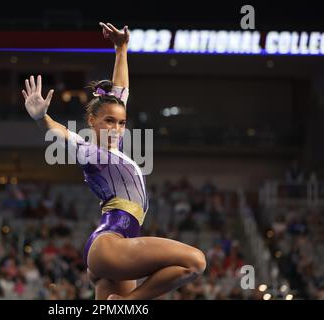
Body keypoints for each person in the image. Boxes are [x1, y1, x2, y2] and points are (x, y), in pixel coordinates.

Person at [21, 22, 206, 300]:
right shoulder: (88, 151)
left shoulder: (114, 148)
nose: (117, 128)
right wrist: (42, 118)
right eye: (109, 121)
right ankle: (128, 302)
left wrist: (121, 49)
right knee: (195, 261)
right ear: (92, 121)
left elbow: (120, 93)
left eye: (121, 123)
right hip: (110, 245)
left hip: (117, 249)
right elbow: (60, 134)